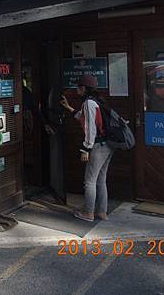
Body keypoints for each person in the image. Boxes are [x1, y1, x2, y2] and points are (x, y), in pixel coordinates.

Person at [60, 74, 113, 222]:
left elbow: (90, 128)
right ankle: (102, 212)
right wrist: (68, 107)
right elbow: (82, 117)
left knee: (89, 181)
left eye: (78, 87)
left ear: (83, 88)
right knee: (101, 180)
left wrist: (86, 149)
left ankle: (88, 213)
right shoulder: (97, 102)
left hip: (97, 145)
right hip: (107, 145)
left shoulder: (89, 103)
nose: (77, 89)